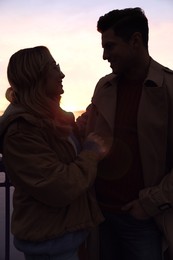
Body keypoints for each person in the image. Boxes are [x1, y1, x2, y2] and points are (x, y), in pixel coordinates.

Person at [76, 7, 173, 260]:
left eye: (110, 46)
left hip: (143, 220)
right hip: (100, 216)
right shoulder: (103, 86)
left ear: (135, 41)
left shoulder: (169, 89)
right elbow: (86, 127)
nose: (104, 56)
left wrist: (150, 203)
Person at [0, 46, 110, 260]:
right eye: (54, 67)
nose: (62, 74)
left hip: (68, 236)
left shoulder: (45, 120)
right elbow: (59, 186)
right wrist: (90, 153)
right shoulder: (20, 132)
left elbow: (59, 153)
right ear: (37, 76)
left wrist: (79, 127)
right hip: (50, 245)